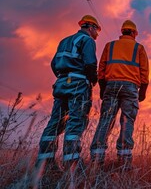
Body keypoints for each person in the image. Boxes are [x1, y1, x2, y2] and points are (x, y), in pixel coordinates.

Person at [32, 15, 101, 183]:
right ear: (91, 27)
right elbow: (91, 63)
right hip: (78, 84)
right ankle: (72, 165)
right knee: (76, 122)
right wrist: (92, 80)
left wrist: (63, 77)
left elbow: (54, 64)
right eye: (97, 30)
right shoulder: (88, 40)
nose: (97, 34)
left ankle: (45, 164)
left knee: (55, 123)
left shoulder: (64, 41)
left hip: (61, 83)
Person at [90, 19, 149, 170]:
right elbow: (144, 72)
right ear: (134, 33)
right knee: (127, 121)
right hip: (130, 88)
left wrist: (103, 88)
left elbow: (101, 69)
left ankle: (96, 160)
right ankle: (124, 161)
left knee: (106, 120)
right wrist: (142, 92)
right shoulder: (139, 48)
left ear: (122, 31)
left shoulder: (110, 46)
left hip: (111, 85)